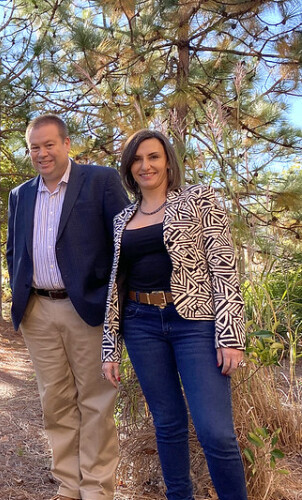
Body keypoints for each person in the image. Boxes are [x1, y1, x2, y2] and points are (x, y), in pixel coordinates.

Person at [101, 129, 247, 500]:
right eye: (137, 159)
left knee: (215, 430)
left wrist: (230, 336)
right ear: (128, 167)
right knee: (168, 424)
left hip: (194, 325)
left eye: (153, 157)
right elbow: (116, 286)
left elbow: (224, 269)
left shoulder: (199, 199)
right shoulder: (122, 219)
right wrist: (110, 348)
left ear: (168, 161)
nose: (145, 165)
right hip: (141, 325)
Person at [6, 114, 130, 500]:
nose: (42, 154)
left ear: (66, 144)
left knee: (94, 401)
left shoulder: (100, 181)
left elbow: (123, 245)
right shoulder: (20, 194)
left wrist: (112, 303)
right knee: (55, 402)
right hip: (38, 313)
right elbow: (14, 249)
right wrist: (20, 292)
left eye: (49, 145)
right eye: (34, 148)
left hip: (87, 310)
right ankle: (69, 485)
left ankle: (95, 488)